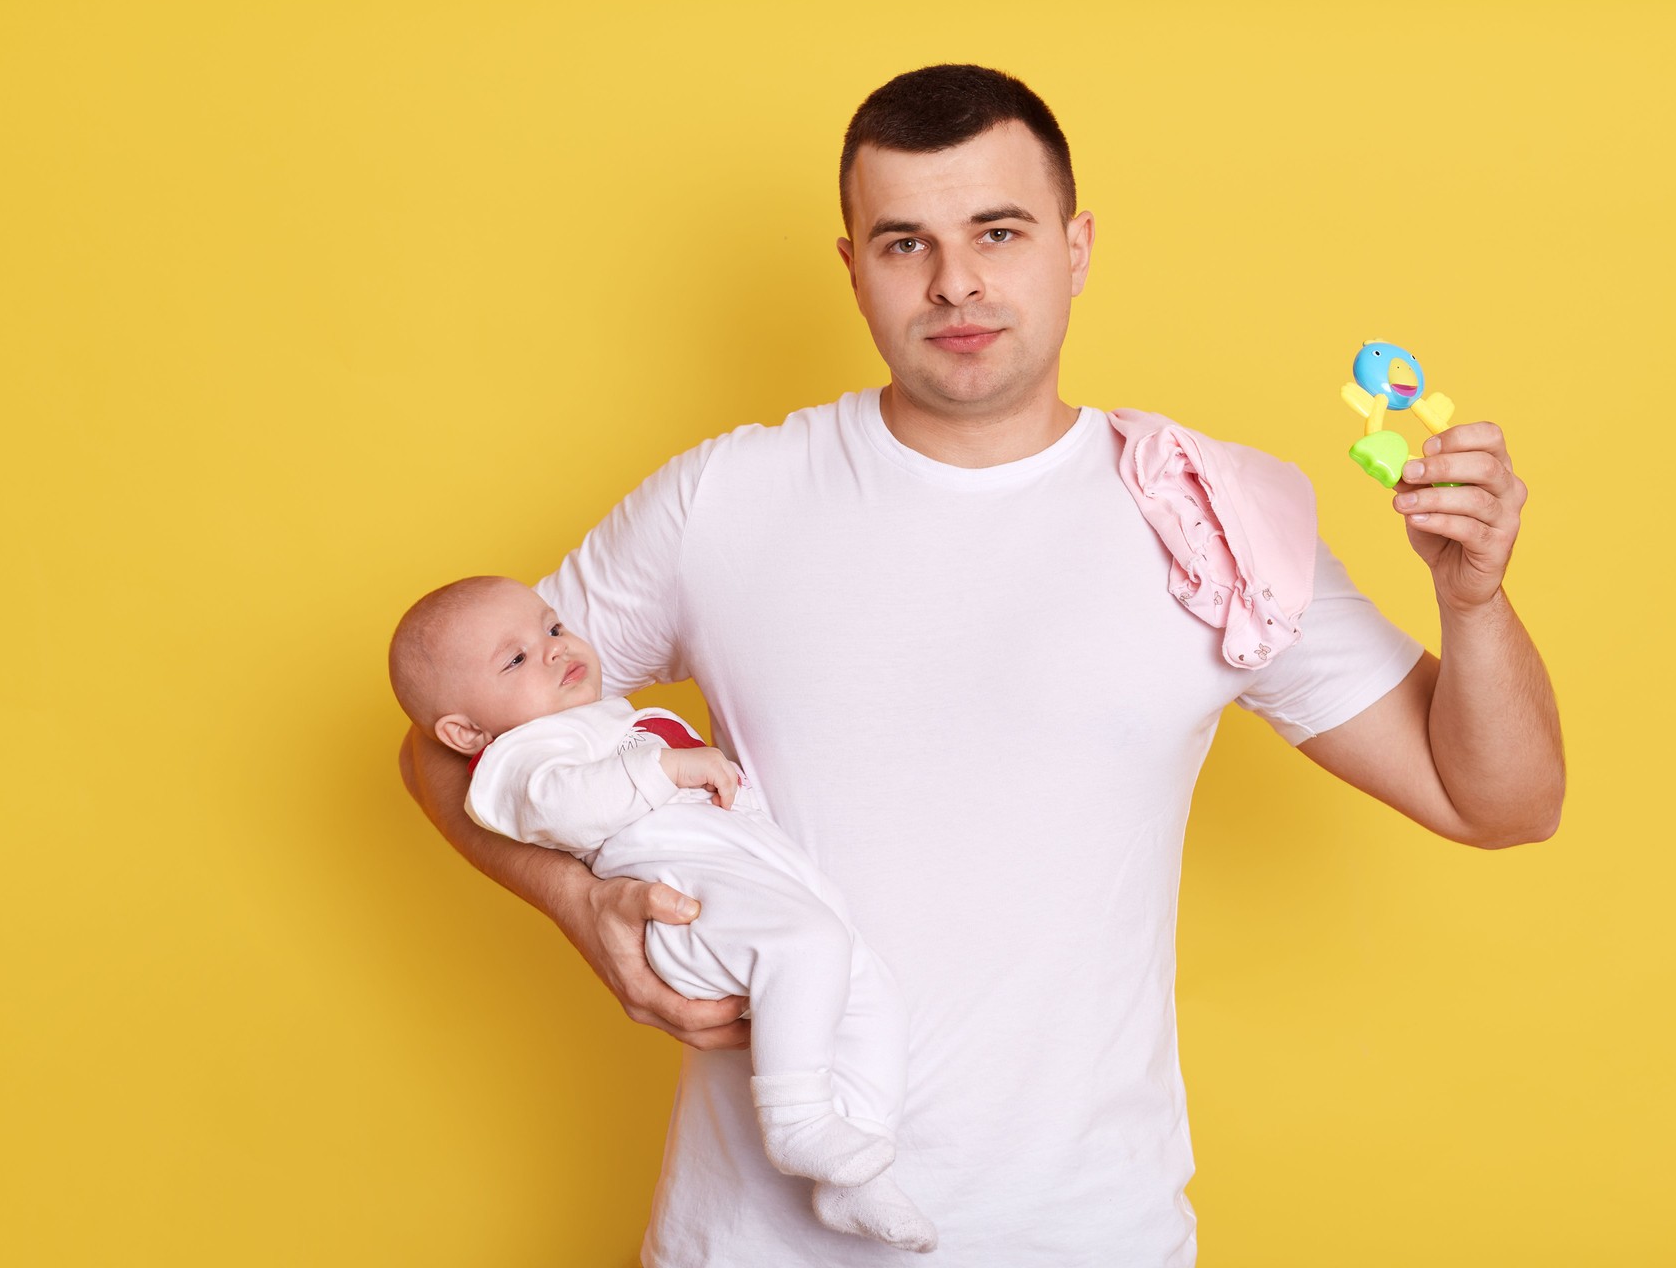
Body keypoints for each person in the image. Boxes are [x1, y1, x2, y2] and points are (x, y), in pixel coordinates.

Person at [400, 64, 1564, 1267]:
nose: (955, 280)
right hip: (750, 1240)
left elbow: (1501, 799)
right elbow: (445, 742)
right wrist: (580, 906)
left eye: (997, 232)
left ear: (1076, 245)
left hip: (1083, 1231)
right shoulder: (723, 501)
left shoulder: (1209, 520)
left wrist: (1472, 601)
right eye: (905, 242)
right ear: (850, 267)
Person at [388, 576, 937, 1251]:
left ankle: (859, 1168)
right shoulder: (517, 756)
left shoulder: (610, 719)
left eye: (554, 628)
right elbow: (559, 804)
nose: (555, 649)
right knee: (810, 946)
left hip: (744, 878)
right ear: (466, 730)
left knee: (870, 994)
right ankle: (798, 1122)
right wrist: (665, 772)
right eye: (517, 659)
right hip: (685, 901)